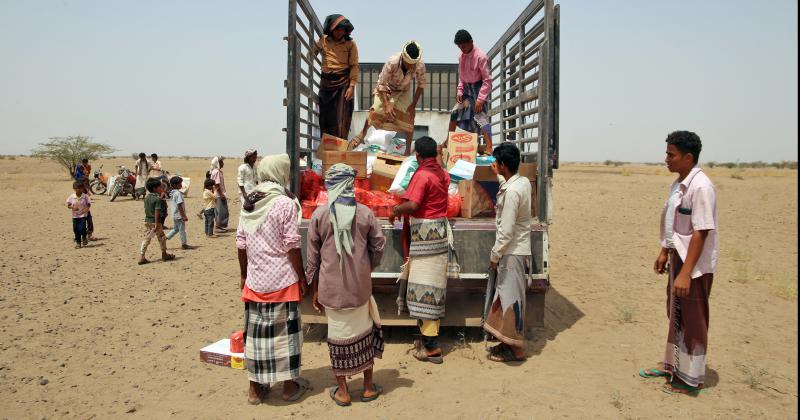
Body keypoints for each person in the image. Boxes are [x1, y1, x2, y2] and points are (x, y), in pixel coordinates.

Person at [640, 131, 718, 396]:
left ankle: (691, 380)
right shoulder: (678, 184)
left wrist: (686, 274)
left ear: (688, 157)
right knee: (676, 314)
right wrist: (664, 251)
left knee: (693, 320)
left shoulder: (701, 187)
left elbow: (701, 231)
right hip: (677, 259)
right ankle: (672, 365)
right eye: (666, 154)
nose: (666, 159)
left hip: (693, 266)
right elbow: (675, 224)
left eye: (671, 155)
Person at [306, 164, 386, 406]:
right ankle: (368, 387)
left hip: (331, 289)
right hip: (360, 289)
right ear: (350, 184)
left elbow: (313, 258)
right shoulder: (365, 213)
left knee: (337, 338)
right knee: (365, 333)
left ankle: (343, 391)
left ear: (331, 185)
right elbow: (379, 246)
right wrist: (365, 268)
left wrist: (315, 288)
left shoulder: (320, 215)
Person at [237, 154, 311, 405]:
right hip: (282, 279)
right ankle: (288, 388)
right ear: (281, 172)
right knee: (287, 337)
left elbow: (241, 244)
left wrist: (244, 274)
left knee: (255, 336)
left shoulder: (249, 202)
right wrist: (301, 277)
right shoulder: (284, 203)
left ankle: (255, 390)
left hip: (256, 281)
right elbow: (292, 244)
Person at [389, 136, 450, 363]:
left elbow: (413, 205)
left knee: (424, 291)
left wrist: (395, 210)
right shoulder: (442, 174)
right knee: (434, 289)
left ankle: (432, 348)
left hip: (425, 236)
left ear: (418, 156)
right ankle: (426, 340)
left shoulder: (422, 175)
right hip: (440, 233)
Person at [483, 142, 531, 362]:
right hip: (516, 250)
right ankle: (506, 344)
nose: (495, 165)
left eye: (496, 162)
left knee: (510, 300)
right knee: (505, 297)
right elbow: (509, 189)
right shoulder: (522, 183)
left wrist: (495, 256)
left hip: (511, 252)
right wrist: (499, 178)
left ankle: (517, 350)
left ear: (502, 164)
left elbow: (507, 230)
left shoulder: (512, 193)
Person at [350, 41, 427, 155]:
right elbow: (381, 84)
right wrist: (386, 105)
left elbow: (421, 85)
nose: (411, 67)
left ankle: (407, 151)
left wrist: (413, 105)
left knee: (409, 118)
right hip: (386, 89)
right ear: (403, 58)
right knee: (376, 109)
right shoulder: (392, 61)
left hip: (404, 90)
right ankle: (363, 133)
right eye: (408, 64)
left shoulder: (420, 65)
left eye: (413, 65)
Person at [448, 29, 493, 153]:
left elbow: (487, 80)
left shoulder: (481, 56)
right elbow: (461, 76)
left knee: (480, 117)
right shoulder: (461, 56)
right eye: (459, 47)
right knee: (454, 113)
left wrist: (480, 100)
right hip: (466, 90)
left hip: (479, 89)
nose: (461, 49)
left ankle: (489, 147)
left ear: (471, 42)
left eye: (463, 45)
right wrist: (459, 91)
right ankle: (448, 142)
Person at [314, 15, 358, 139]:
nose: (339, 32)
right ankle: (328, 149)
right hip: (326, 83)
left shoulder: (351, 44)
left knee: (341, 117)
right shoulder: (323, 40)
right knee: (325, 116)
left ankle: (340, 148)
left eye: (342, 29)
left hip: (343, 83)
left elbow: (354, 65)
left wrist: (352, 86)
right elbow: (310, 53)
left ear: (346, 30)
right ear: (331, 29)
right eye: (337, 29)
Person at [138, 178, 175, 265]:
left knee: (147, 239)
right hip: (156, 223)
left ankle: (141, 256)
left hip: (147, 221)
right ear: (155, 188)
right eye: (160, 187)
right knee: (161, 238)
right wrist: (157, 224)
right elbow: (156, 211)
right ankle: (164, 254)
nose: (161, 188)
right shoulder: (157, 199)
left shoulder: (147, 198)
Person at [165, 176, 193, 250]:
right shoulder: (177, 193)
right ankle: (184, 244)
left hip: (175, 214)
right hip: (179, 215)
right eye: (180, 183)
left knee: (176, 229)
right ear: (175, 185)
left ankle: (165, 238)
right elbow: (179, 204)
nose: (181, 185)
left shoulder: (173, 193)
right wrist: (183, 215)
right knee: (182, 230)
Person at [66, 181, 90, 249]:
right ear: (74, 188)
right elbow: (68, 205)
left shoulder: (85, 196)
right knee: (76, 229)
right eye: (76, 188)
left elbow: (88, 204)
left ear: (82, 189)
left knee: (82, 228)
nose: (78, 190)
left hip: (83, 215)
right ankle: (78, 242)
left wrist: (87, 209)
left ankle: (84, 236)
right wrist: (72, 207)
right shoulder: (72, 196)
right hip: (75, 216)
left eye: (80, 188)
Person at [209, 156, 229, 232]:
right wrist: (221, 194)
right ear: (218, 163)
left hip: (216, 194)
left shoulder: (215, 171)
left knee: (218, 211)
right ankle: (218, 227)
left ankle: (218, 226)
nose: (223, 163)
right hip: (219, 194)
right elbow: (217, 184)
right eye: (221, 162)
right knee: (222, 211)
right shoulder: (217, 172)